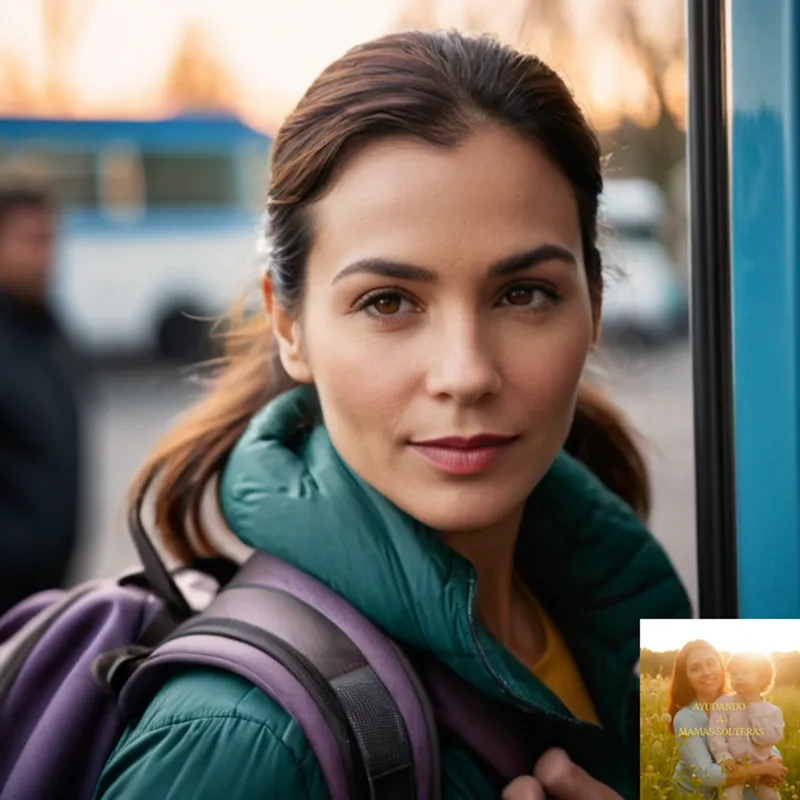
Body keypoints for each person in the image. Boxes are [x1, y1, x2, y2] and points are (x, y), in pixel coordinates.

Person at [95, 30, 691, 800]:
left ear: (595, 303)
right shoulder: (235, 739)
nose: (467, 373)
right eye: (388, 302)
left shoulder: (647, 594)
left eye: (524, 294)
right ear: (290, 327)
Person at [0, 182, 84, 614]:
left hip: (47, 589)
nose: (46, 257)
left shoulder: (50, 329)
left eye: (51, 240)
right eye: (31, 241)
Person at [669, 640, 787, 798]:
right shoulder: (685, 718)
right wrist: (765, 768)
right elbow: (706, 775)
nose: (706, 672)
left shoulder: (741, 700)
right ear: (687, 678)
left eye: (711, 663)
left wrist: (775, 759)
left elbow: (758, 737)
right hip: (698, 794)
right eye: (695, 668)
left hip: (737, 782)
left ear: (721, 667)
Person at [707, 652, 785, 800]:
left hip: (761, 768)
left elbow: (767, 739)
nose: (739, 677)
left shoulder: (772, 712)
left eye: (745, 672)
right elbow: (716, 733)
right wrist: (724, 758)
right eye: (734, 673)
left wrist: (753, 705)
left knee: (771, 796)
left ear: (762, 678)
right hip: (734, 767)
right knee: (729, 796)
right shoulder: (723, 704)